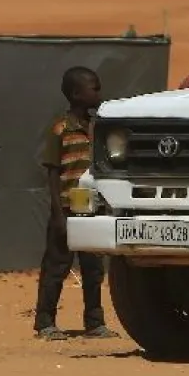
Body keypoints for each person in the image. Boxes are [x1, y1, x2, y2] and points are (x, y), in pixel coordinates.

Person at [34, 67, 119, 341]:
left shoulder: (99, 128)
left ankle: (94, 322)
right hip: (68, 209)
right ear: (75, 94)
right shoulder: (61, 128)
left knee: (93, 270)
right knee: (56, 267)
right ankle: (45, 322)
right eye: (93, 88)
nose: (98, 93)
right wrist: (58, 214)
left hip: (92, 211)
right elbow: (51, 171)